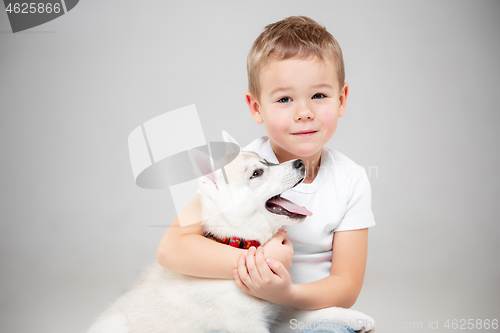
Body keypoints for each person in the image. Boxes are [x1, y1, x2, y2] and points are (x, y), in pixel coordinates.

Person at [157, 16, 376, 333]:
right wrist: (263, 262)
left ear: (341, 99)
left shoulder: (351, 180)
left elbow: (346, 285)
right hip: (239, 313)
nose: (304, 112)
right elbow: (172, 248)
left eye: (318, 95)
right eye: (285, 99)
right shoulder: (241, 169)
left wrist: (286, 293)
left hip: (307, 315)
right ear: (256, 106)